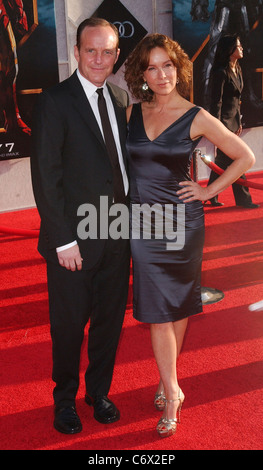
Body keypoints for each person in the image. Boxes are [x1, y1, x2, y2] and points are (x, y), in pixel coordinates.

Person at [124, 33, 255, 438]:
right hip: (142, 225)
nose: (161, 74)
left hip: (182, 224)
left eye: (168, 65)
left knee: (176, 308)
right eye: (152, 66)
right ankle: (172, 384)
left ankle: (170, 387)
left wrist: (209, 190)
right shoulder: (132, 111)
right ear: (142, 73)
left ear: (178, 68)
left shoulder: (195, 114)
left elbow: (245, 156)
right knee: (158, 312)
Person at [30, 17, 130, 434]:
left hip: (118, 232)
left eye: (107, 51)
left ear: (117, 56)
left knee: (109, 321)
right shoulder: (55, 100)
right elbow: (45, 175)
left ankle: (98, 391)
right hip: (74, 238)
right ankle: (64, 400)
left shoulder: (121, 98)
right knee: (69, 326)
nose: (99, 59)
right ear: (76, 51)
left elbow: (120, 170)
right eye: (91, 50)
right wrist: (62, 239)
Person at [206, 34, 259, 208]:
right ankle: (244, 200)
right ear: (230, 50)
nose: (242, 48)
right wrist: (217, 127)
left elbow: (237, 100)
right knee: (239, 159)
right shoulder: (220, 72)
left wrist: (239, 121)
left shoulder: (238, 69)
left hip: (234, 121)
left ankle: (209, 196)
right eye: (238, 46)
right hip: (223, 124)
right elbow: (216, 102)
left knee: (223, 161)